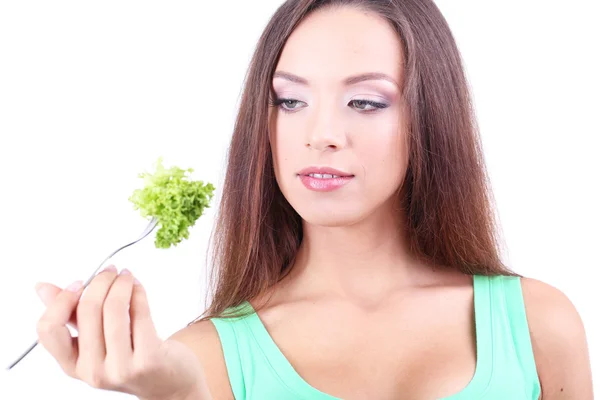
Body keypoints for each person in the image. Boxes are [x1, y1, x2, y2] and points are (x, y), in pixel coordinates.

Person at [33, 0, 593, 399]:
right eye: (290, 101)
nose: (320, 133)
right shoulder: (201, 360)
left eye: (366, 103)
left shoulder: (537, 323)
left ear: (431, 117)